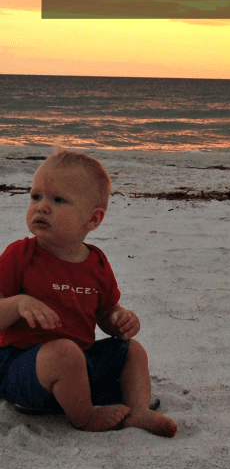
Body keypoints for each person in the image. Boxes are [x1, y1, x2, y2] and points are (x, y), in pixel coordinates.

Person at [0, 148, 177, 437]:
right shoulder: (20, 255)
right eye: (36, 196)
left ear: (93, 220)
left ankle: (139, 409)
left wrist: (120, 319)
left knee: (132, 350)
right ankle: (84, 417)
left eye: (58, 200)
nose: (42, 206)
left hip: (78, 367)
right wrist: (19, 304)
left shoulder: (96, 262)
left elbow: (106, 313)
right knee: (65, 353)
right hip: (20, 368)